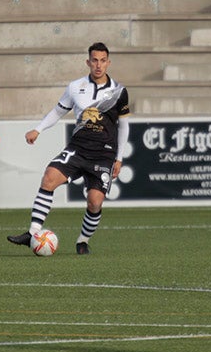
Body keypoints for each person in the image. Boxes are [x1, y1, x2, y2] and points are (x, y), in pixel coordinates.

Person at [7, 42, 130, 255]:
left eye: (102, 60)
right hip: (78, 149)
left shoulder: (119, 92)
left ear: (108, 62)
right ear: (88, 62)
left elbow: (124, 125)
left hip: (103, 154)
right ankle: (33, 232)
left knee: (94, 202)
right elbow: (57, 111)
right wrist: (38, 130)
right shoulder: (75, 87)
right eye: (94, 60)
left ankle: (83, 240)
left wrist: (119, 158)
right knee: (49, 177)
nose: (98, 65)